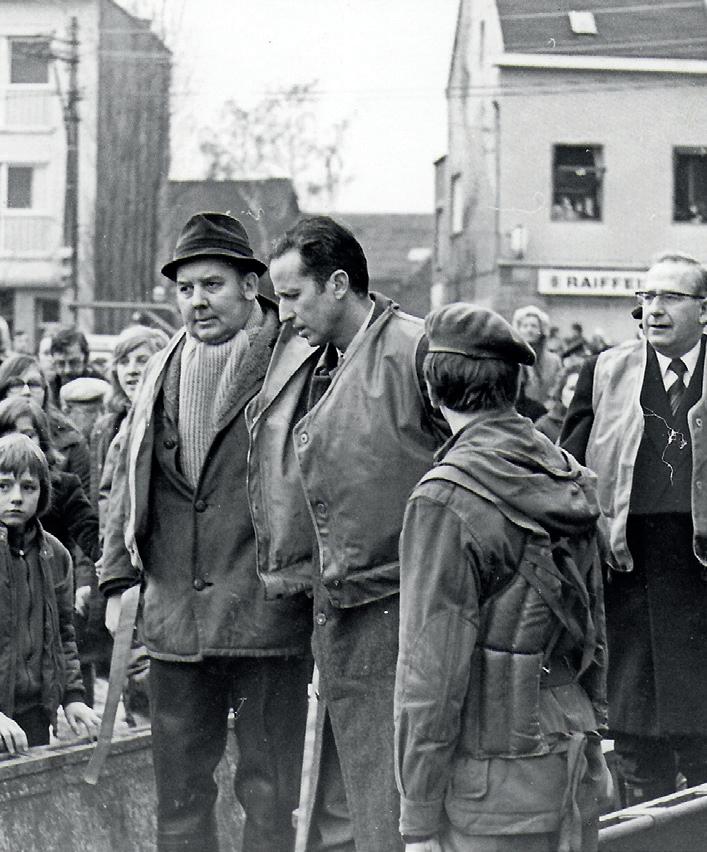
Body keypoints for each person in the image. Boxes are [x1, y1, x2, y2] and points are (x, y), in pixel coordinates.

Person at [99, 211, 311, 852]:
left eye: (212, 285)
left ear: (251, 285)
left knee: (270, 798)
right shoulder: (159, 370)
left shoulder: (295, 364)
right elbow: (128, 476)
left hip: (265, 619)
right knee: (180, 800)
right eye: (185, 288)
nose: (196, 301)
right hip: (176, 622)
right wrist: (117, 579)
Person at [247, 215, 448, 852]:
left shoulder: (418, 351)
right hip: (334, 608)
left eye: (292, 295)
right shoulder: (311, 363)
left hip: (403, 607)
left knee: (392, 799)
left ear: (338, 283)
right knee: (346, 803)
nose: (283, 314)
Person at [395, 303, 611, 852]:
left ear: (432, 388)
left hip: (487, 788)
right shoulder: (567, 475)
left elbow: (431, 675)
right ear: (515, 384)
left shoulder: (446, 498)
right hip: (569, 757)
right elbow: (594, 630)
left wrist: (418, 818)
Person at [561, 251, 707, 805]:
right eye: (646, 297)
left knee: (702, 741)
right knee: (636, 736)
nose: (654, 309)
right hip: (628, 576)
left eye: (670, 297)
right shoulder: (604, 371)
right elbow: (568, 469)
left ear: (704, 310)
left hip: (699, 577)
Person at [0, 433, 100, 754]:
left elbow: (63, 635)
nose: (16, 497)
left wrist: (72, 698)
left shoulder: (56, 555)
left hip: (34, 713)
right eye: (3, 486)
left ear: (43, 493)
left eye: (28, 487)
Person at [90, 325, 169, 528]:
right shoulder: (106, 427)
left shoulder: (171, 422)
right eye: (123, 362)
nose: (132, 370)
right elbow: (100, 499)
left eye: (142, 360)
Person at [0, 354, 91, 495]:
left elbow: (83, 499)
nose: (26, 392)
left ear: (45, 391)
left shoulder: (71, 440)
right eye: (16, 385)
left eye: (34, 384)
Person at [512, 305, 562, 418]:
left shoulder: (554, 361)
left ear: (541, 330)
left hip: (546, 414)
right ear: (518, 330)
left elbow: (558, 388)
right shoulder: (512, 359)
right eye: (525, 326)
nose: (529, 330)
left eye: (534, 326)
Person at [48, 327, 105, 406]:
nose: (67, 370)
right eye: (61, 363)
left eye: (73, 362)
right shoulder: (48, 390)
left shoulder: (102, 388)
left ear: (85, 359)